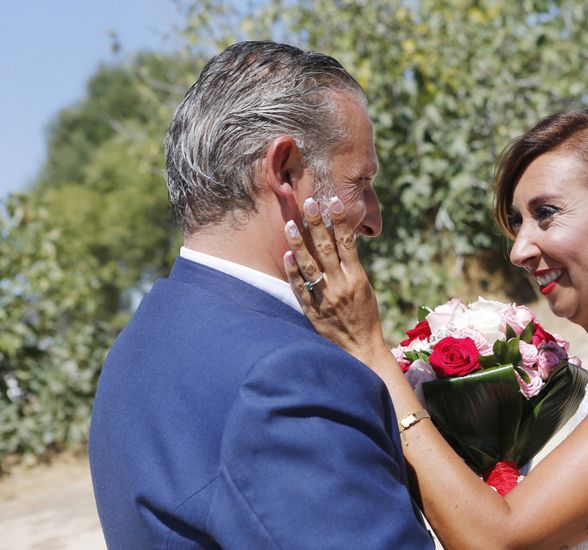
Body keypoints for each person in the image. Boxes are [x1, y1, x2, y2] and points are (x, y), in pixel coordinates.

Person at [283, 103, 588, 548]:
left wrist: (370, 349)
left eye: (546, 214)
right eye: (516, 221)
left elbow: (500, 541)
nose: (518, 250)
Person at [88, 41, 434, 548]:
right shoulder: (288, 378)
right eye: (361, 181)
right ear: (287, 171)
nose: (375, 220)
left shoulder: (135, 352)